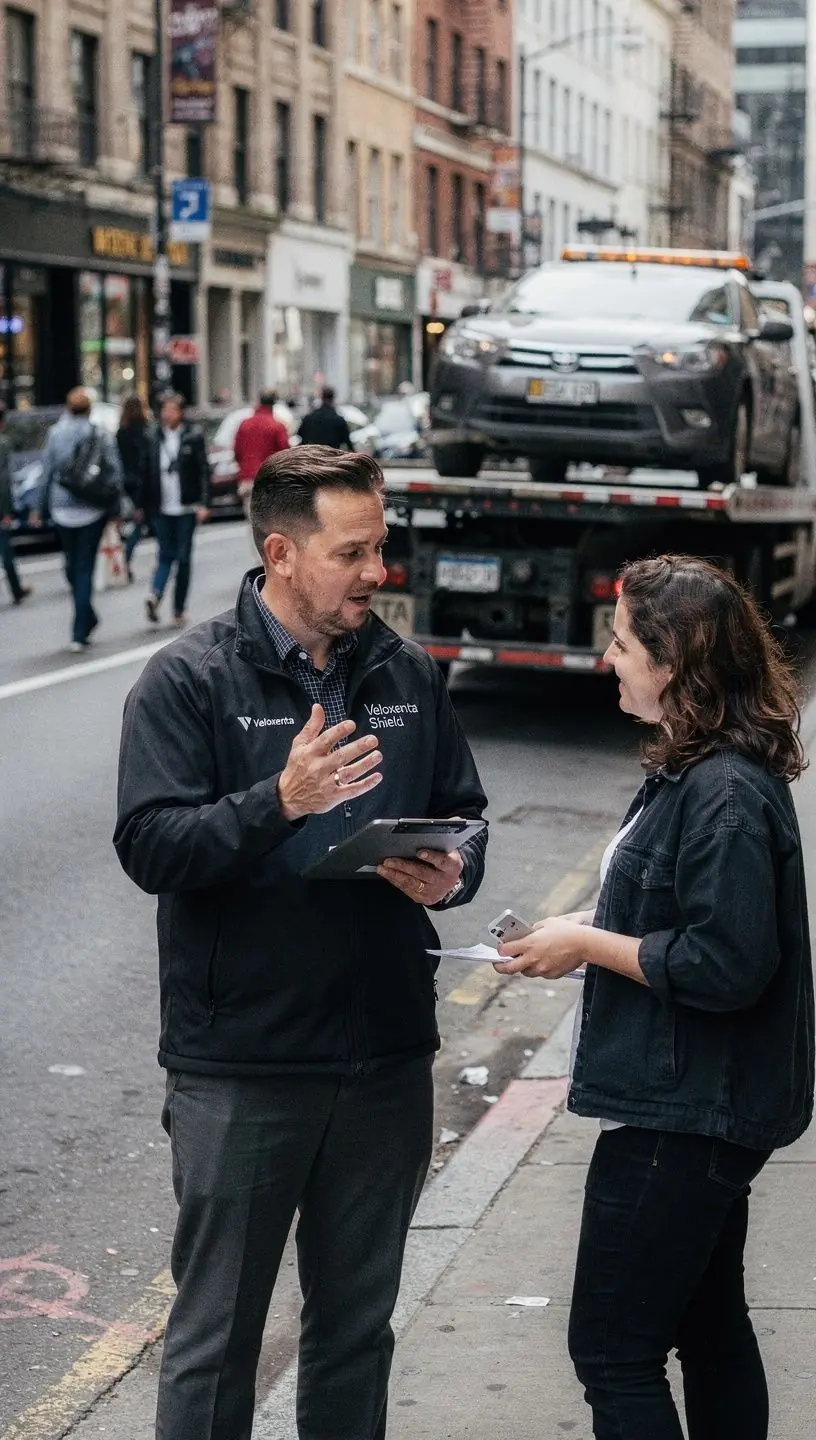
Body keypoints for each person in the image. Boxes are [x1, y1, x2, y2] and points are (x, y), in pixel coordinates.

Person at [114, 444, 488, 1440]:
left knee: (356, 1335)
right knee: (213, 1343)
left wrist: (454, 871)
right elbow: (151, 845)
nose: (379, 571)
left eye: (382, 546)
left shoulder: (405, 669)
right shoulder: (187, 679)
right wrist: (276, 802)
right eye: (354, 551)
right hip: (244, 1067)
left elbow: (466, 813)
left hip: (384, 1062)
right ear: (281, 553)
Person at [495, 555, 815, 1440]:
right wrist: (571, 935)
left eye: (624, 641)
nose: (609, 657)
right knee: (709, 1331)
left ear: (673, 661)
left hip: (687, 1113)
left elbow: (726, 962)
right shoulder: (705, 768)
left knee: (612, 1353)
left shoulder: (722, 794)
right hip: (701, 1102)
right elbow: (680, 906)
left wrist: (589, 943)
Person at [40, 387, 123, 651]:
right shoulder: (100, 434)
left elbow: (47, 471)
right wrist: (116, 507)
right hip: (92, 507)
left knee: (71, 564)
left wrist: (39, 506)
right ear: (90, 409)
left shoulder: (55, 434)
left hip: (61, 507)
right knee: (84, 566)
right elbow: (114, 471)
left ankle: (81, 624)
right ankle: (82, 624)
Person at [141, 392, 210, 629]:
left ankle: (179, 607)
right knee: (164, 553)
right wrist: (143, 505)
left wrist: (203, 503)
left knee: (183, 558)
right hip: (161, 506)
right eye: (163, 409)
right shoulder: (152, 436)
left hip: (186, 506)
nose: (166, 414)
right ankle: (155, 595)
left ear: (180, 413)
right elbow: (145, 471)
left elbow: (203, 470)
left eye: (171, 409)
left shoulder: (193, 436)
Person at [233, 389, 290, 519]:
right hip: (270, 479)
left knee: (253, 521)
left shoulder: (245, 425)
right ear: (274, 404)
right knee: (271, 522)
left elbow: (237, 451)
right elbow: (284, 453)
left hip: (247, 478)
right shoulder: (277, 426)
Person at [0, 401, 32, 606]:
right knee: (5, 549)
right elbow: (3, 480)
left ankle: (17, 588)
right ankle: (16, 588)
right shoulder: (2, 443)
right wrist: (6, 510)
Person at [116, 393, 150, 581]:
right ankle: (126, 558)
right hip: (142, 482)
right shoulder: (146, 430)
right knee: (143, 522)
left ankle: (126, 559)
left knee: (137, 522)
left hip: (126, 482)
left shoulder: (121, 431)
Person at [297, 385, 353, 450]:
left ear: (322, 398)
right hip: (331, 456)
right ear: (333, 398)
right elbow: (347, 442)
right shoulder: (339, 420)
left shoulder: (309, 418)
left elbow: (300, 435)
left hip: (313, 455)